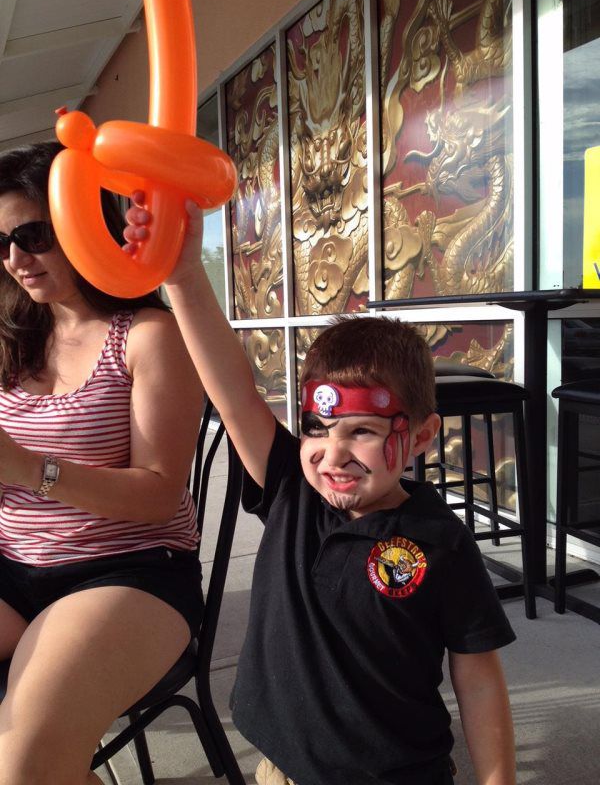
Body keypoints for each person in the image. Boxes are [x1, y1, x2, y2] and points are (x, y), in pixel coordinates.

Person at [125, 196, 517, 785]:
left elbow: (477, 675)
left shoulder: (441, 543)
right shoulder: (291, 489)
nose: (332, 455)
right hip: (281, 770)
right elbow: (232, 389)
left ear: (421, 437)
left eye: (362, 432)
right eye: (316, 428)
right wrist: (181, 276)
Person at [0, 142, 204, 785]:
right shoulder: (14, 338)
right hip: (13, 568)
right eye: (1, 243)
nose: (15, 260)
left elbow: (159, 494)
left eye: (32, 236)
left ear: (86, 225)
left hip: (127, 572)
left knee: (24, 765)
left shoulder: (146, 336)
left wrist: (28, 468)